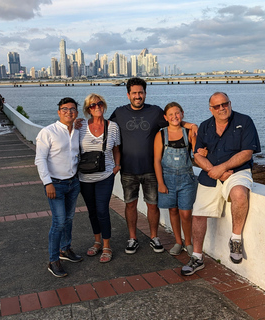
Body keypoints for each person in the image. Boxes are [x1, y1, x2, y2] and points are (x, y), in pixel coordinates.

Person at [108, 77, 197, 254]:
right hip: (128, 169)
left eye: (141, 92)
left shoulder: (155, 112)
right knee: (130, 204)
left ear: (145, 94)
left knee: (152, 205)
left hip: (151, 170)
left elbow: (174, 122)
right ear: (128, 95)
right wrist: (82, 124)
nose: (138, 96)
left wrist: (190, 125)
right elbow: (107, 129)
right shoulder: (119, 113)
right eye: (134, 93)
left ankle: (154, 237)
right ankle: (132, 238)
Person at [181, 92, 261, 276]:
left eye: (224, 104)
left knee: (240, 194)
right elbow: (198, 155)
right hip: (211, 173)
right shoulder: (205, 126)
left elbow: (247, 153)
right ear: (211, 109)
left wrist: (222, 169)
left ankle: (235, 240)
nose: (221, 108)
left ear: (230, 104)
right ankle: (197, 257)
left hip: (237, 171)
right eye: (216, 106)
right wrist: (214, 171)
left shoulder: (244, 121)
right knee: (199, 213)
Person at [35, 97, 82, 278]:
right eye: (65, 109)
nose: (69, 112)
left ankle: (65, 249)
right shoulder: (48, 132)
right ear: (58, 112)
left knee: (69, 219)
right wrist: (48, 183)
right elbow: (40, 159)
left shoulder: (78, 130)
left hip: (73, 182)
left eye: (72, 109)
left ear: (76, 112)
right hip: (56, 184)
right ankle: (53, 260)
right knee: (59, 222)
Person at [78, 94, 121, 263]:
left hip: (105, 176)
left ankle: (106, 245)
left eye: (99, 103)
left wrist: (117, 166)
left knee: (102, 210)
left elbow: (116, 148)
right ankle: (96, 241)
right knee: (92, 211)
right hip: (85, 178)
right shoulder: (80, 126)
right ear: (88, 109)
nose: (97, 107)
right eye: (92, 105)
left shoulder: (113, 127)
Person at [154, 102, 197, 256]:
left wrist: (194, 129)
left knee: (186, 213)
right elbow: (157, 160)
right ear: (166, 117)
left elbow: (196, 154)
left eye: (177, 113)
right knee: (173, 210)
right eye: (171, 114)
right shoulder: (161, 134)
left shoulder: (188, 132)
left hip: (187, 178)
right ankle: (178, 242)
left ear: (182, 114)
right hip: (167, 178)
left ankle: (189, 242)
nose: (174, 117)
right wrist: (160, 183)